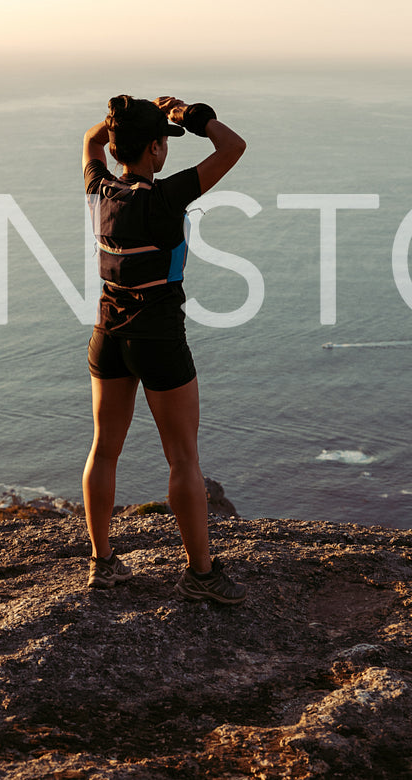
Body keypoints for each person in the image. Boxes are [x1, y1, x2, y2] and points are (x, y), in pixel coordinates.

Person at [81, 94, 247, 604]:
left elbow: (90, 141)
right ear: (155, 149)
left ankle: (102, 562)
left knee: (104, 448)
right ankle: (200, 574)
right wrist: (190, 117)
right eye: (162, 144)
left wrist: (121, 124)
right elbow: (233, 146)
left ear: (115, 146)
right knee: (183, 459)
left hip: (108, 337)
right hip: (159, 342)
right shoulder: (166, 196)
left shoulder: (100, 189)